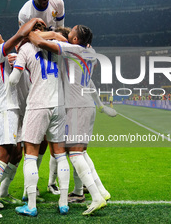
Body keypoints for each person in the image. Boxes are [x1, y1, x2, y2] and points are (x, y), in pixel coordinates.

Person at [27, 25, 113, 215]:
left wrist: (32, 33)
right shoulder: (91, 52)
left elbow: (39, 42)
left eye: (72, 31)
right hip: (86, 105)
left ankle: (96, 196)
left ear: (74, 40)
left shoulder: (71, 49)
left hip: (75, 106)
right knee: (80, 152)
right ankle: (101, 191)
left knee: (75, 154)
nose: (70, 32)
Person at [0, 18, 46, 219]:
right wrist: (33, 21)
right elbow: (20, 36)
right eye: (0, 38)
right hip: (5, 108)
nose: (4, 40)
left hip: (12, 108)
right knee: (4, 153)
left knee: (14, 154)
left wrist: (15, 61)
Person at [9, 28, 70, 217]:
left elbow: (13, 80)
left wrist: (13, 65)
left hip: (37, 105)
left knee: (31, 156)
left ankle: (32, 205)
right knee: (60, 155)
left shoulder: (25, 48)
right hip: (59, 104)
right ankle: (63, 203)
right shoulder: (60, 44)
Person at [19, 0, 65, 195]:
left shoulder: (58, 3)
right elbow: (25, 36)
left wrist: (48, 36)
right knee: (59, 149)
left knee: (33, 149)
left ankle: (32, 195)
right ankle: (63, 195)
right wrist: (53, 36)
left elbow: (59, 32)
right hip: (54, 97)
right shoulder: (25, 12)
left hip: (40, 100)